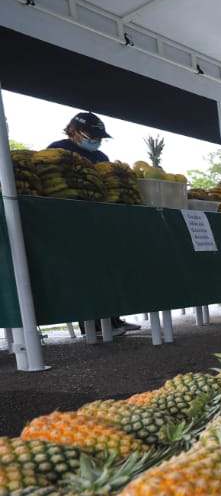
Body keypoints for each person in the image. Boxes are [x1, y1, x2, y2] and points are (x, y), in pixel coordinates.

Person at [48, 112, 141, 337]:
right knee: (85, 272)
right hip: (71, 220)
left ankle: (114, 320)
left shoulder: (101, 156)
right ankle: (92, 326)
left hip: (101, 220)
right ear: (74, 131)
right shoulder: (57, 150)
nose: (96, 140)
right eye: (92, 135)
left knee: (109, 269)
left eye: (99, 136)